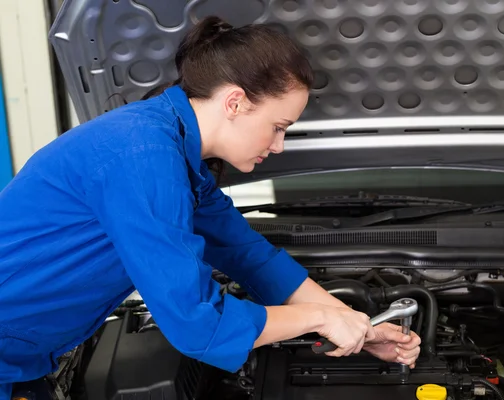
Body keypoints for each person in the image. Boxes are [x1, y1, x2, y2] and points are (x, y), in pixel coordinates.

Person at [0, 16, 421, 398]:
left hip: (25, 361)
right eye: (278, 127)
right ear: (235, 102)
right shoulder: (142, 156)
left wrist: (358, 326)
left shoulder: (176, 154)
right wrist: (317, 319)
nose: (278, 146)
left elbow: (250, 257)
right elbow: (197, 323)